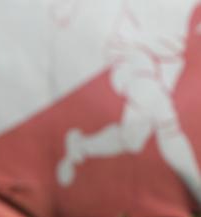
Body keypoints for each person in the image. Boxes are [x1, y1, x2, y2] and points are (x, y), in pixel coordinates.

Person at [54, 0, 201, 205]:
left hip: (169, 60)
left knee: (132, 140)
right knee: (166, 120)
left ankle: (80, 147)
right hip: (131, 53)